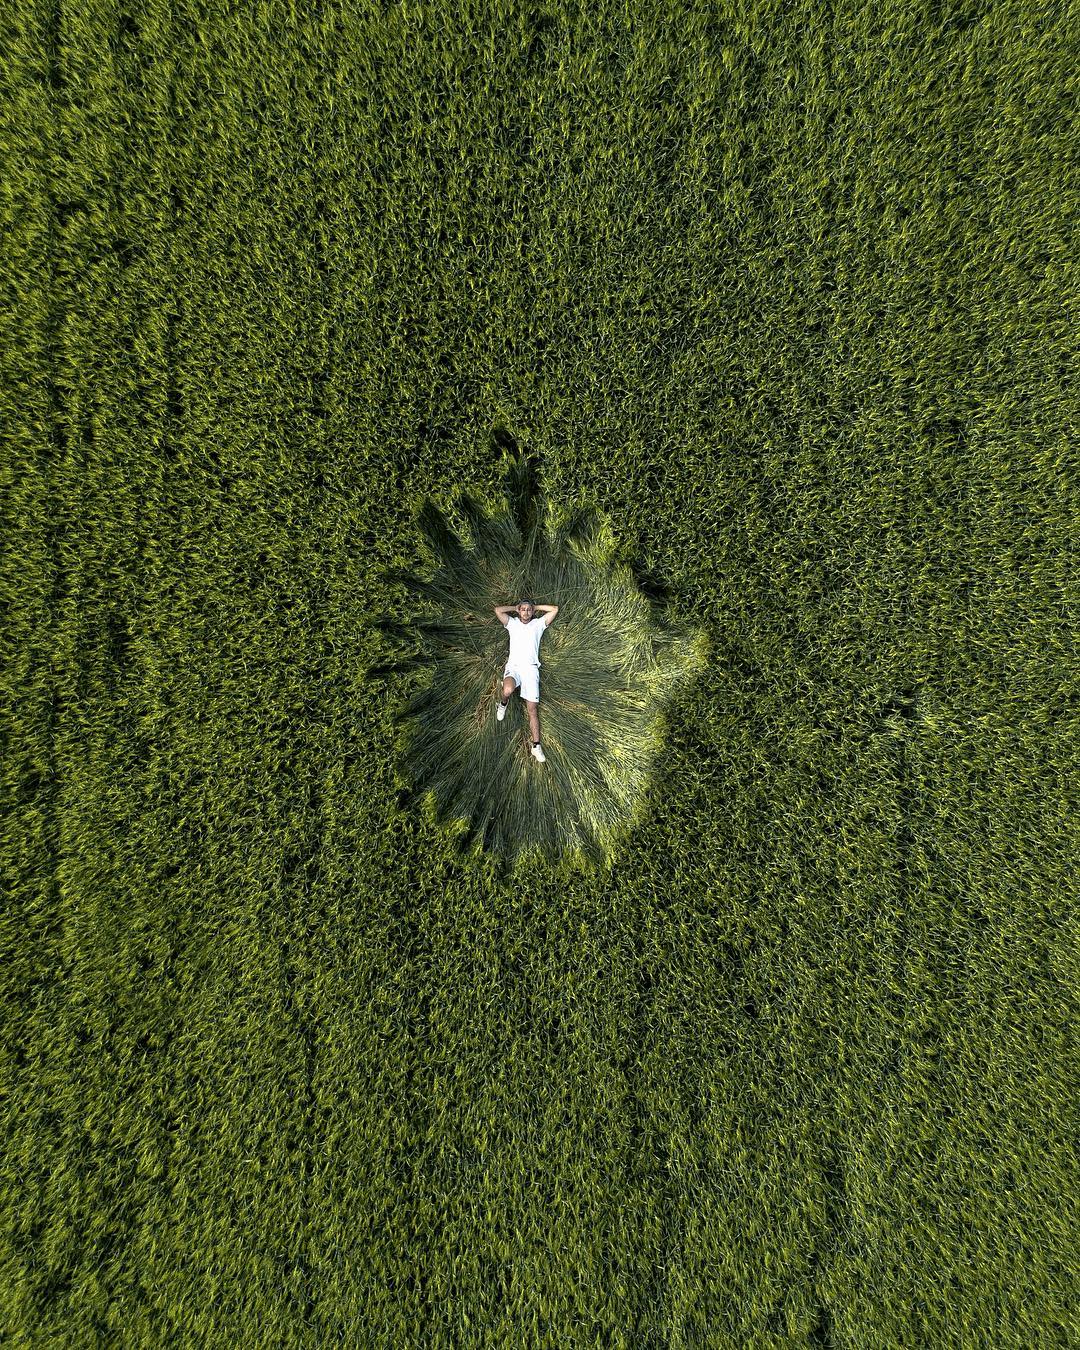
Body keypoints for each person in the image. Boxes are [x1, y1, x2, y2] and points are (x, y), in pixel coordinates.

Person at [493, 598, 559, 761]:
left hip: (531, 670)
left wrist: (536, 606)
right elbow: (497, 610)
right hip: (514, 668)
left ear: (533, 611)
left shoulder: (538, 624)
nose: (526, 612)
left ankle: (536, 746)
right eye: (523, 609)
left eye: (529, 609)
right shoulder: (513, 623)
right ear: (519, 610)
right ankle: (503, 704)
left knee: (532, 710)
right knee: (507, 689)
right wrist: (514, 608)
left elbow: (554, 609)